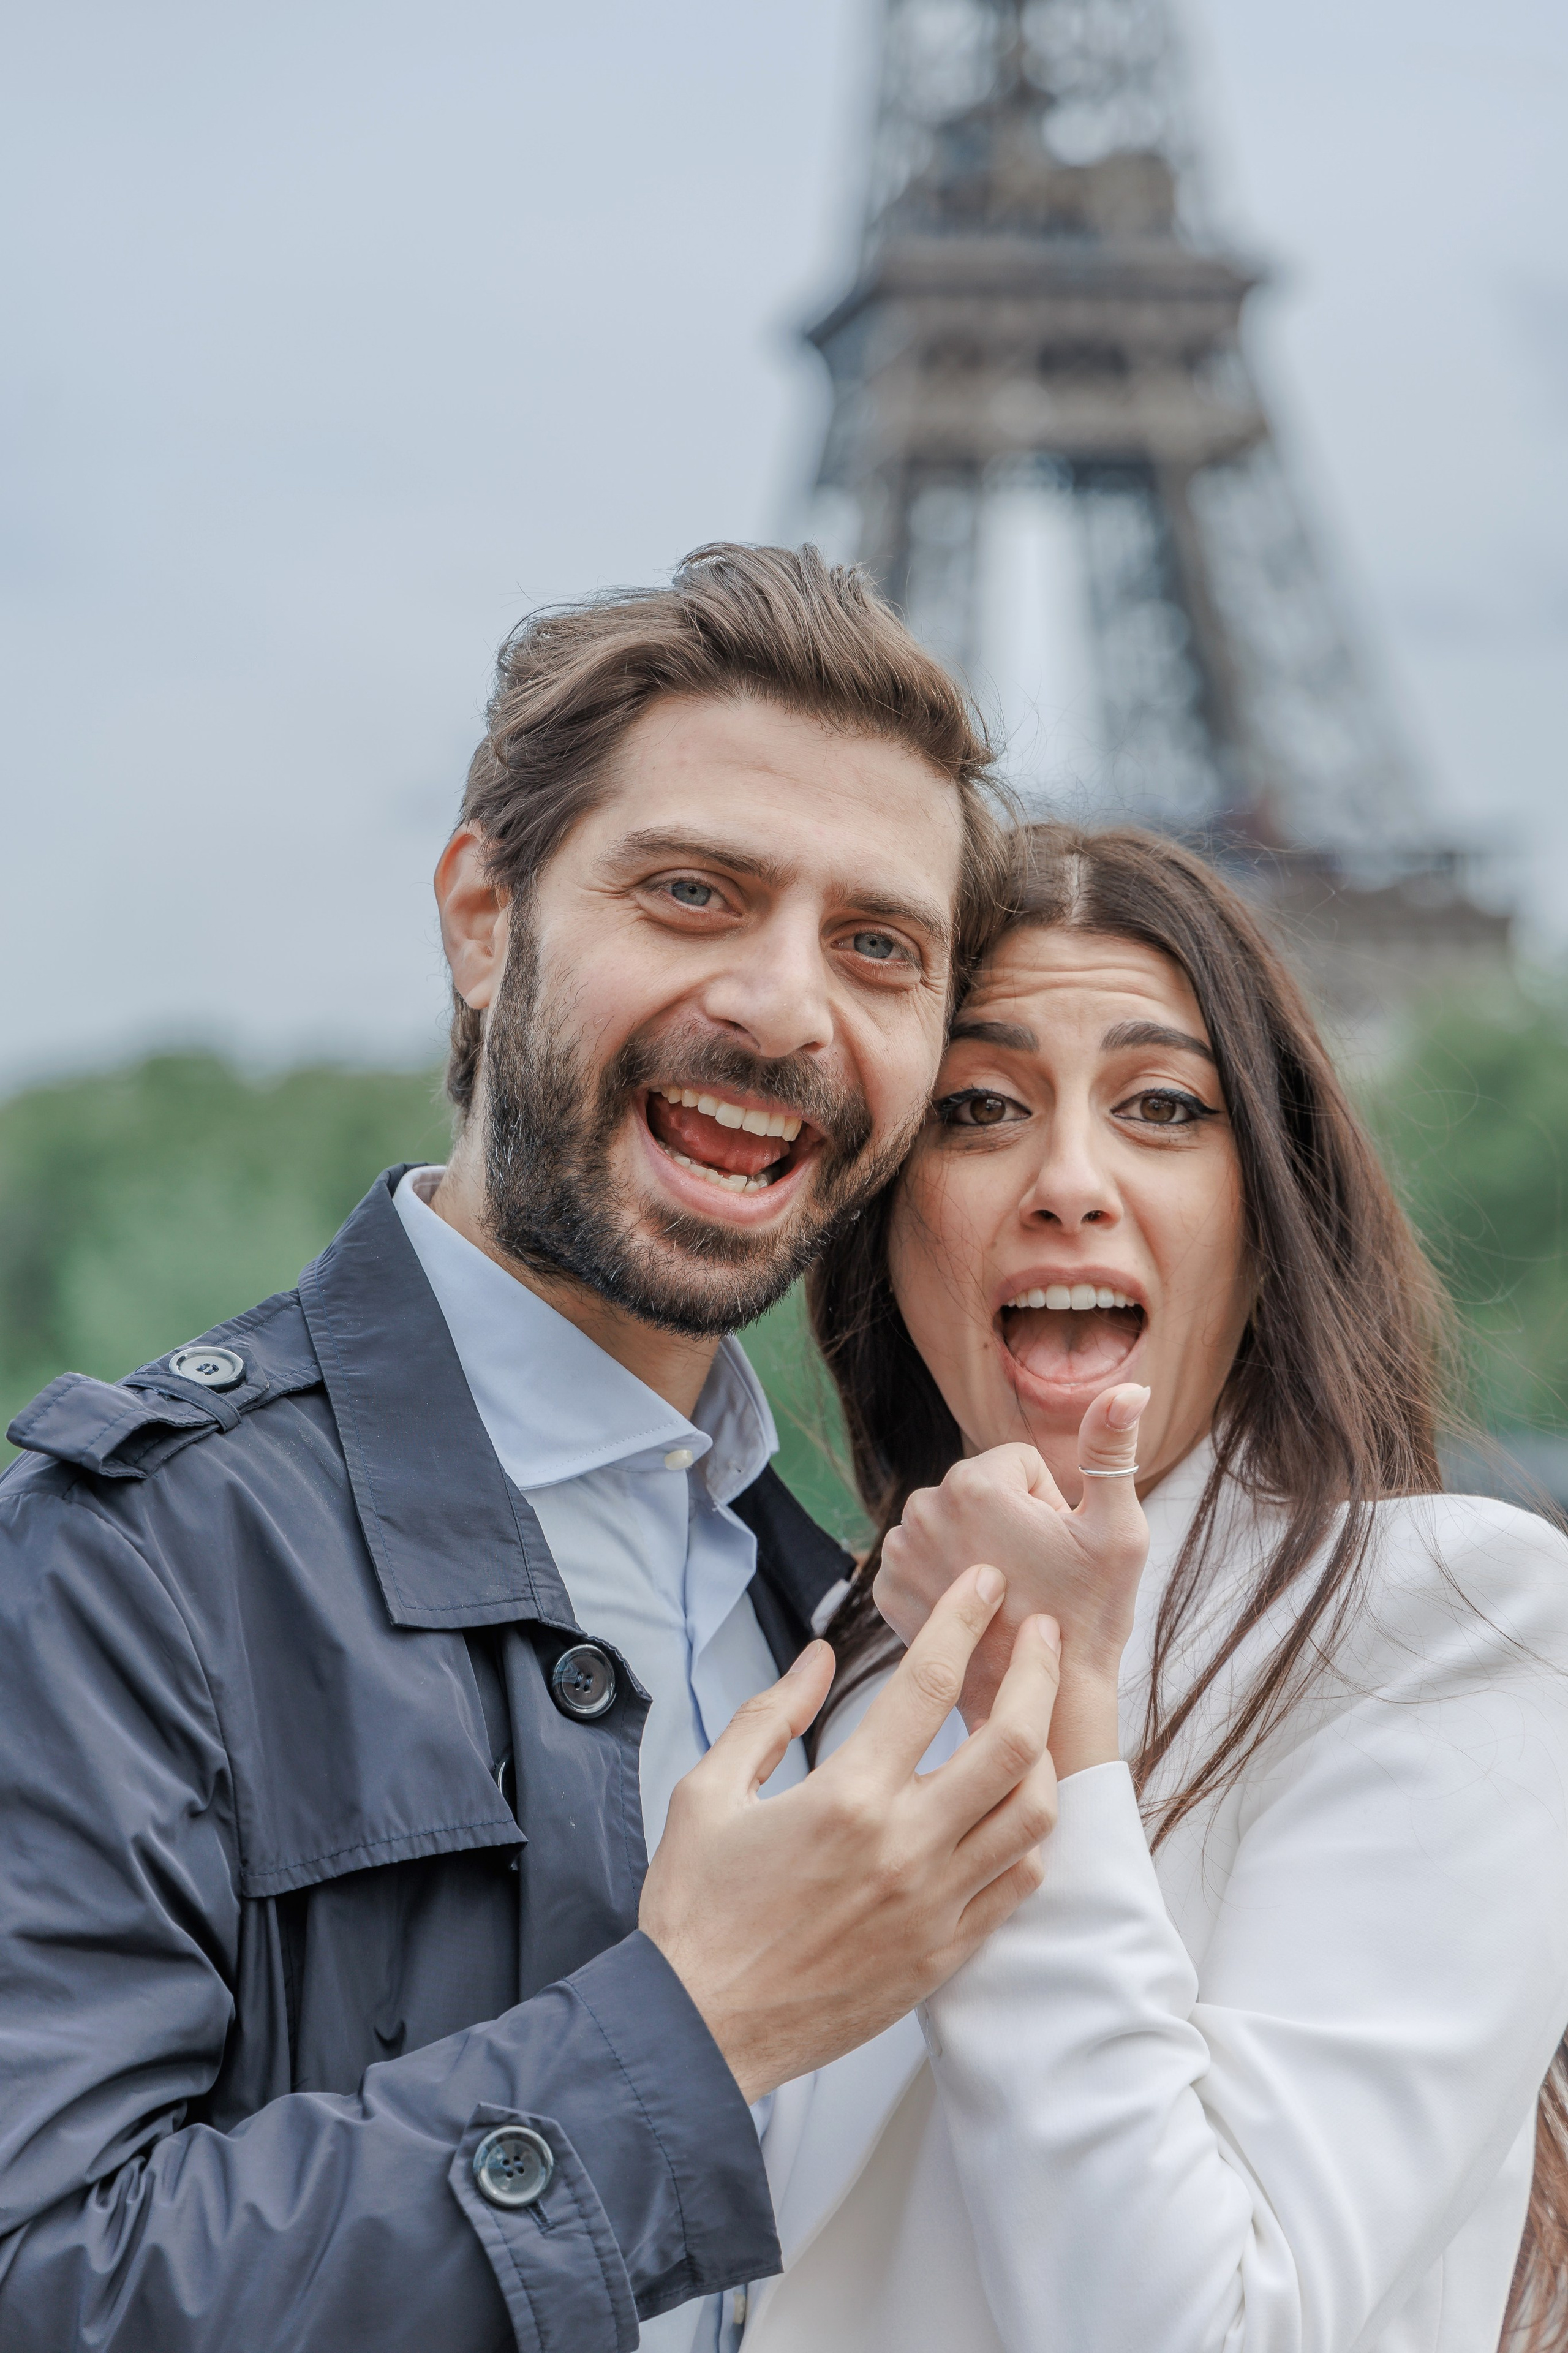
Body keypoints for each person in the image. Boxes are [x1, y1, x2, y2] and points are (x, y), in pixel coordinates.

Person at [0, 545, 1062, 2352]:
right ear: (485, 919)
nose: (789, 1007)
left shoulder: (853, 1627)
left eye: (879, 946)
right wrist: (696, 2028)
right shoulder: (123, 1564)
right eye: (694, 890)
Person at [744, 821, 1568, 2353]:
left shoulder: (1448, 1615)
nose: (1067, 1179)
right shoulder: (832, 1656)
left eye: (1162, 1107)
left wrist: (1042, 1709)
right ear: (887, 1222)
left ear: (1263, 1222)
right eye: (979, 1107)